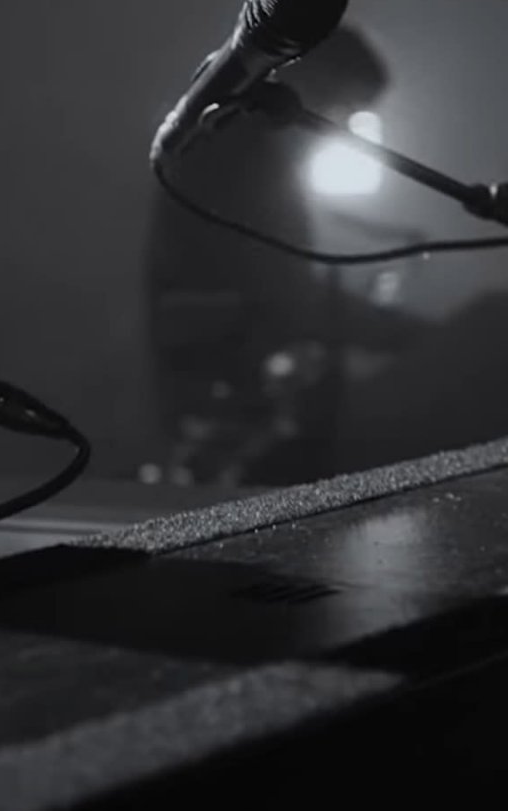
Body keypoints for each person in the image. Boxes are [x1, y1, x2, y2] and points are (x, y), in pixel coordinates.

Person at [142, 24, 425, 486]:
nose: (341, 129)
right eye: (343, 108)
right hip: (228, 416)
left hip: (228, 399)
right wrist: (414, 335)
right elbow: (285, 297)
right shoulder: (239, 161)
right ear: (305, 87)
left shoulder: (238, 148)